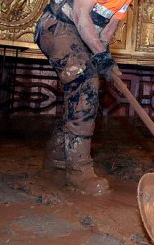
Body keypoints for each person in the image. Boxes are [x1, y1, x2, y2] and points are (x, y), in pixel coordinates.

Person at [34, 0, 130, 195]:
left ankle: (56, 156)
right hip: (57, 25)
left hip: (81, 35)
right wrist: (101, 56)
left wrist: (105, 56)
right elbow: (80, 14)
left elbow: (107, 32)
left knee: (85, 93)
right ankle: (79, 170)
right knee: (85, 82)